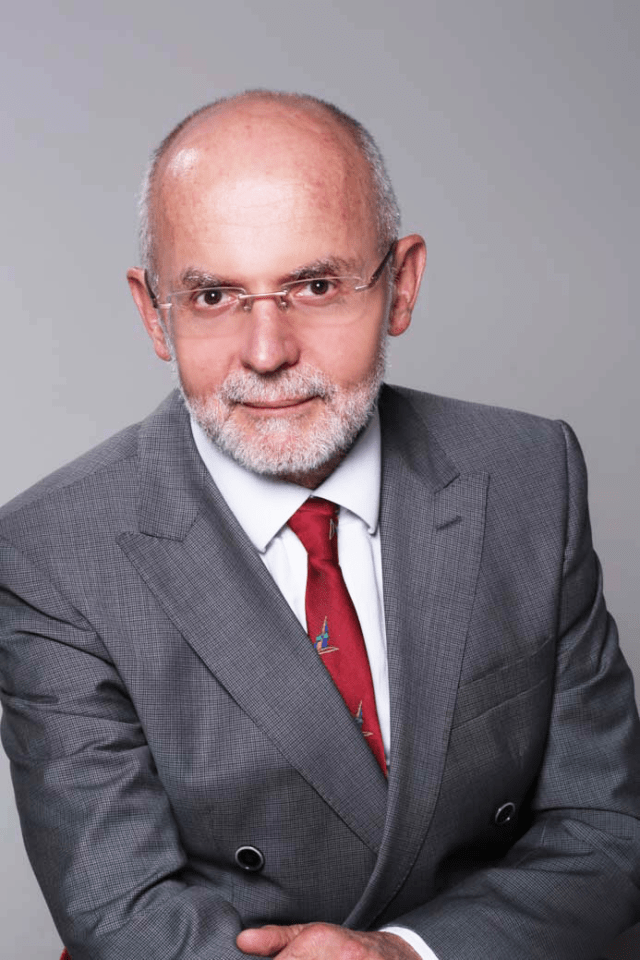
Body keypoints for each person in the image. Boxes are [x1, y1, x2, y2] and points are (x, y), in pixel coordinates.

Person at [1, 90, 639, 960]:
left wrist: (408, 952)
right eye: (214, 294)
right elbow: (122, 909)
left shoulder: (530, 474)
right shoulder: (53, 553)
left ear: (401, 284)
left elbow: (607, 829)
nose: (267, 352)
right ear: (154, 313)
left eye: (315, 285)